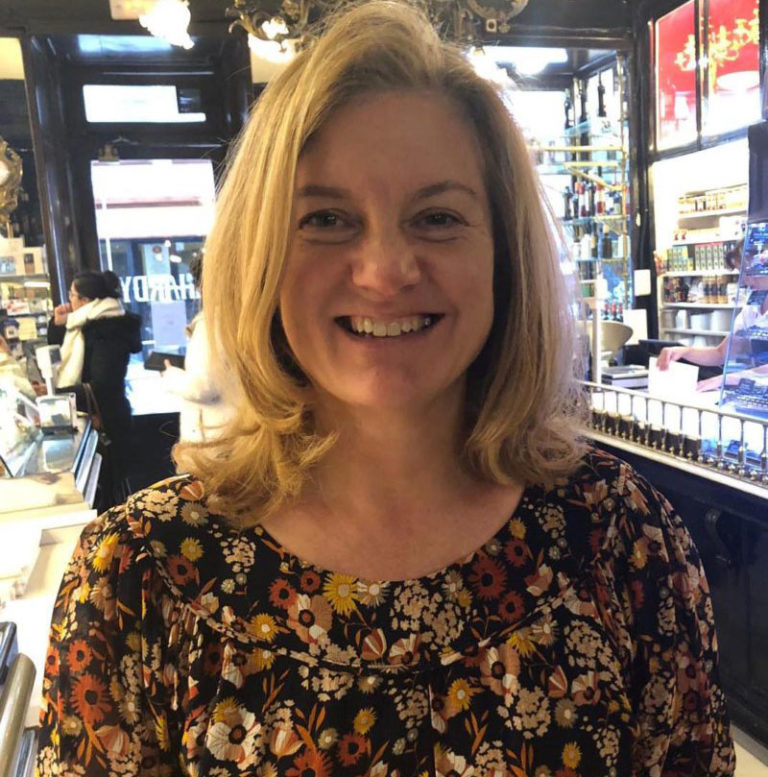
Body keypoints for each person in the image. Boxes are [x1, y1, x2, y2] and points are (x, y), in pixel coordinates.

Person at [36, 4, 734, 776]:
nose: (386, 271)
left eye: (437, 217)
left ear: (504, 257)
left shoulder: (626, 542)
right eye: (327, 218)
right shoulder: (135, 579)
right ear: (259, 256)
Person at [47, 270, 141, 504]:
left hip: (108, 421)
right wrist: (58, 325)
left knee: (111, 495)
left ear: (85, 300)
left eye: (72, 295)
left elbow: (103, 385)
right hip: (99, 419)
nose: (68, 301)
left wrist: (58, 396)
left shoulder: (108, 330)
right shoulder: (83, 325)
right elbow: (61, 359)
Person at [161, 255, 233, 441]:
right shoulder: (242, 316)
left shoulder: (212, 323)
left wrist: (170, 375)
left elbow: (203, 387)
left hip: (214, 435)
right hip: (236, 431)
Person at [658, 272, 768, 391]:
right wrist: (684, 352)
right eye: (743, 272)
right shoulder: (753, 306)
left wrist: (725, 379)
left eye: (751, 273)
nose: (745, 280)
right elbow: (721, 353)